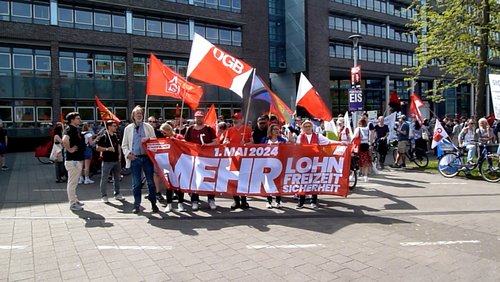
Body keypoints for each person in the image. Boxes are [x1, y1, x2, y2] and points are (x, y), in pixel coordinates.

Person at [121, 105, 158, 214]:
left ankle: (153, 203)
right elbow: (124, 145)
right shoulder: (128, 129)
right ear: (133, 116)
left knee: (150, 182)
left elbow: (155, 141)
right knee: (136, 183)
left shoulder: (148, 127)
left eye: (140, 113)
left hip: (147, 158)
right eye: (137, 114)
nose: (139, 115)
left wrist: (149, 139)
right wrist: (128, 154)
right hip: (135, 158)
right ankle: (136, 205)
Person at [295, 119, 335, 209]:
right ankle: (301, 201)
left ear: (312, 127)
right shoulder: (300, 137)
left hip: (315, 162)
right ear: (303, 128)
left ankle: (313, 201)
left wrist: (341, 143)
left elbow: (328, 142)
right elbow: (297, 148)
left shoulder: (318, 136)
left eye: (309, 126)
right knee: (303, 182)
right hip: (304, 162)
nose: (307, 128)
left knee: (314, 182)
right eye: (305, 126)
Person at [184, 110, 219, 211]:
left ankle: (211, 199)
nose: (198, 119)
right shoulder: (190, 129)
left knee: (209, 178)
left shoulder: (209, 129)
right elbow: (185, 143)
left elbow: (216, 142)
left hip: (207, 158)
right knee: (194, 179)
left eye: (200, 117)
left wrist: (207, 146)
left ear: (204, 118)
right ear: (194, 118)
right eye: (197, 117)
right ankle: (194, 200)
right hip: (194, 158)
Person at [223, 112, 252, 209]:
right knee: (233, 179)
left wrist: (246, 143)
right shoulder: (230, 130)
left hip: (244, 158)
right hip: (233, 158)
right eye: (234, 119)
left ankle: (244, 200)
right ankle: (236, 200)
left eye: (237, 118)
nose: (235, 120)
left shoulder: (247, 129)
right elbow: (225, 141)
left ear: (242, 119)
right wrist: (226, 142)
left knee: (243, 179)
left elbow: (252, 142)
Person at [159, 122, 186, 212]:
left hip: (179, 163)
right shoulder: (164, 139)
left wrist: (173, 139)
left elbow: (185, 145)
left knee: (179, 185)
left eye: (164, 132)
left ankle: (180, 204)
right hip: (168, 164)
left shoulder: (179, 136)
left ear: (168, 130)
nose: (163, 134)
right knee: (168, 185)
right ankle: (169, 204)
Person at [62, 112, 86, 211]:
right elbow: (64, 139)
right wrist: (69, 149)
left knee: (74, 182)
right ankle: (72, 204)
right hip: (73, 160)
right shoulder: (69, 129)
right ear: (72, 119)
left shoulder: (75, 129)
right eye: (77, 118)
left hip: (77, 159)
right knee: (72, 183)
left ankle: (75, 200)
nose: (79, 120)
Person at [96, 120, 124, 203]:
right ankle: (104, 195)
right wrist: (107, 149)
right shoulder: (103, 136)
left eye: (116, 126)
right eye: (114, 126)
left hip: (116, 160)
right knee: (104, 178)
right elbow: (97, 148)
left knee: (117, 178)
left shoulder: (115, 136)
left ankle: (117, 193)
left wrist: (119, 155)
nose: (116, 127)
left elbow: (118, 145)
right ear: (109, 126)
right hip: (107, 161)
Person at [261, 123, 287, 208]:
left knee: (278, 183)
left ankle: (278, 200)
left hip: (278, 165)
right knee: (268, 183)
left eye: (277, 129)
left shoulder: (282, 140)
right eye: (275, 129)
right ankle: (269, 201)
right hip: (267, 164)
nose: (277, 131)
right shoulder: (265, 140)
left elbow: (286, 151)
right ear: (270, 131)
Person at [147, 116, 166, 202]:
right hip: (146, 156)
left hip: (157, 157)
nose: (151, 123)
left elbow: (165, 142)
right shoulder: (144, 132)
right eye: (150, 121)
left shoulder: (159, 132)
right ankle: (151, 192)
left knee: (156, 175)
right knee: (148, 175)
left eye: (153, 122)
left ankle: (158, 192)